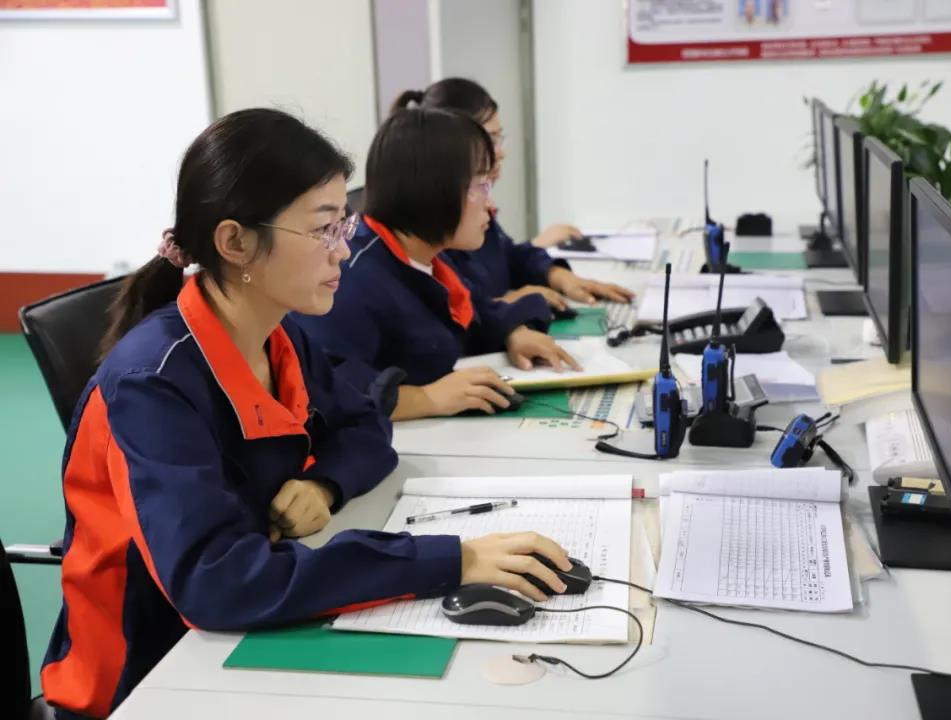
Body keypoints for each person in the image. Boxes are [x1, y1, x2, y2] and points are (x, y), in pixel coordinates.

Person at [41, 109, 573, 720]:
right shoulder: (152, 384)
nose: (344, 250)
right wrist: (454, 560)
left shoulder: (281, 334)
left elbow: (368, 423)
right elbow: (219, 581)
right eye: (323, 230)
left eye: (341, 224)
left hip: (233, 641)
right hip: (146, 678)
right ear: (235, 241)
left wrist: (324, 482)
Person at [297, 107, 583, 421]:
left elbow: (473, 314)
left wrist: (513, 332)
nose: (491, 204)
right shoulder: (350, 277)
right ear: (434, 189)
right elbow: (326, 387)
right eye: (481, 186)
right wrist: (426, 398)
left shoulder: (429, 258)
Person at [391, 78, 634, 312]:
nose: (501, 152)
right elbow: (456, 312)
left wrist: (558, 275)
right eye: (491, 139)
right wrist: (505, 306)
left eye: (500, 137)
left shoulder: (474, 206)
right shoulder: (434, 231)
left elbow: (508, 254)